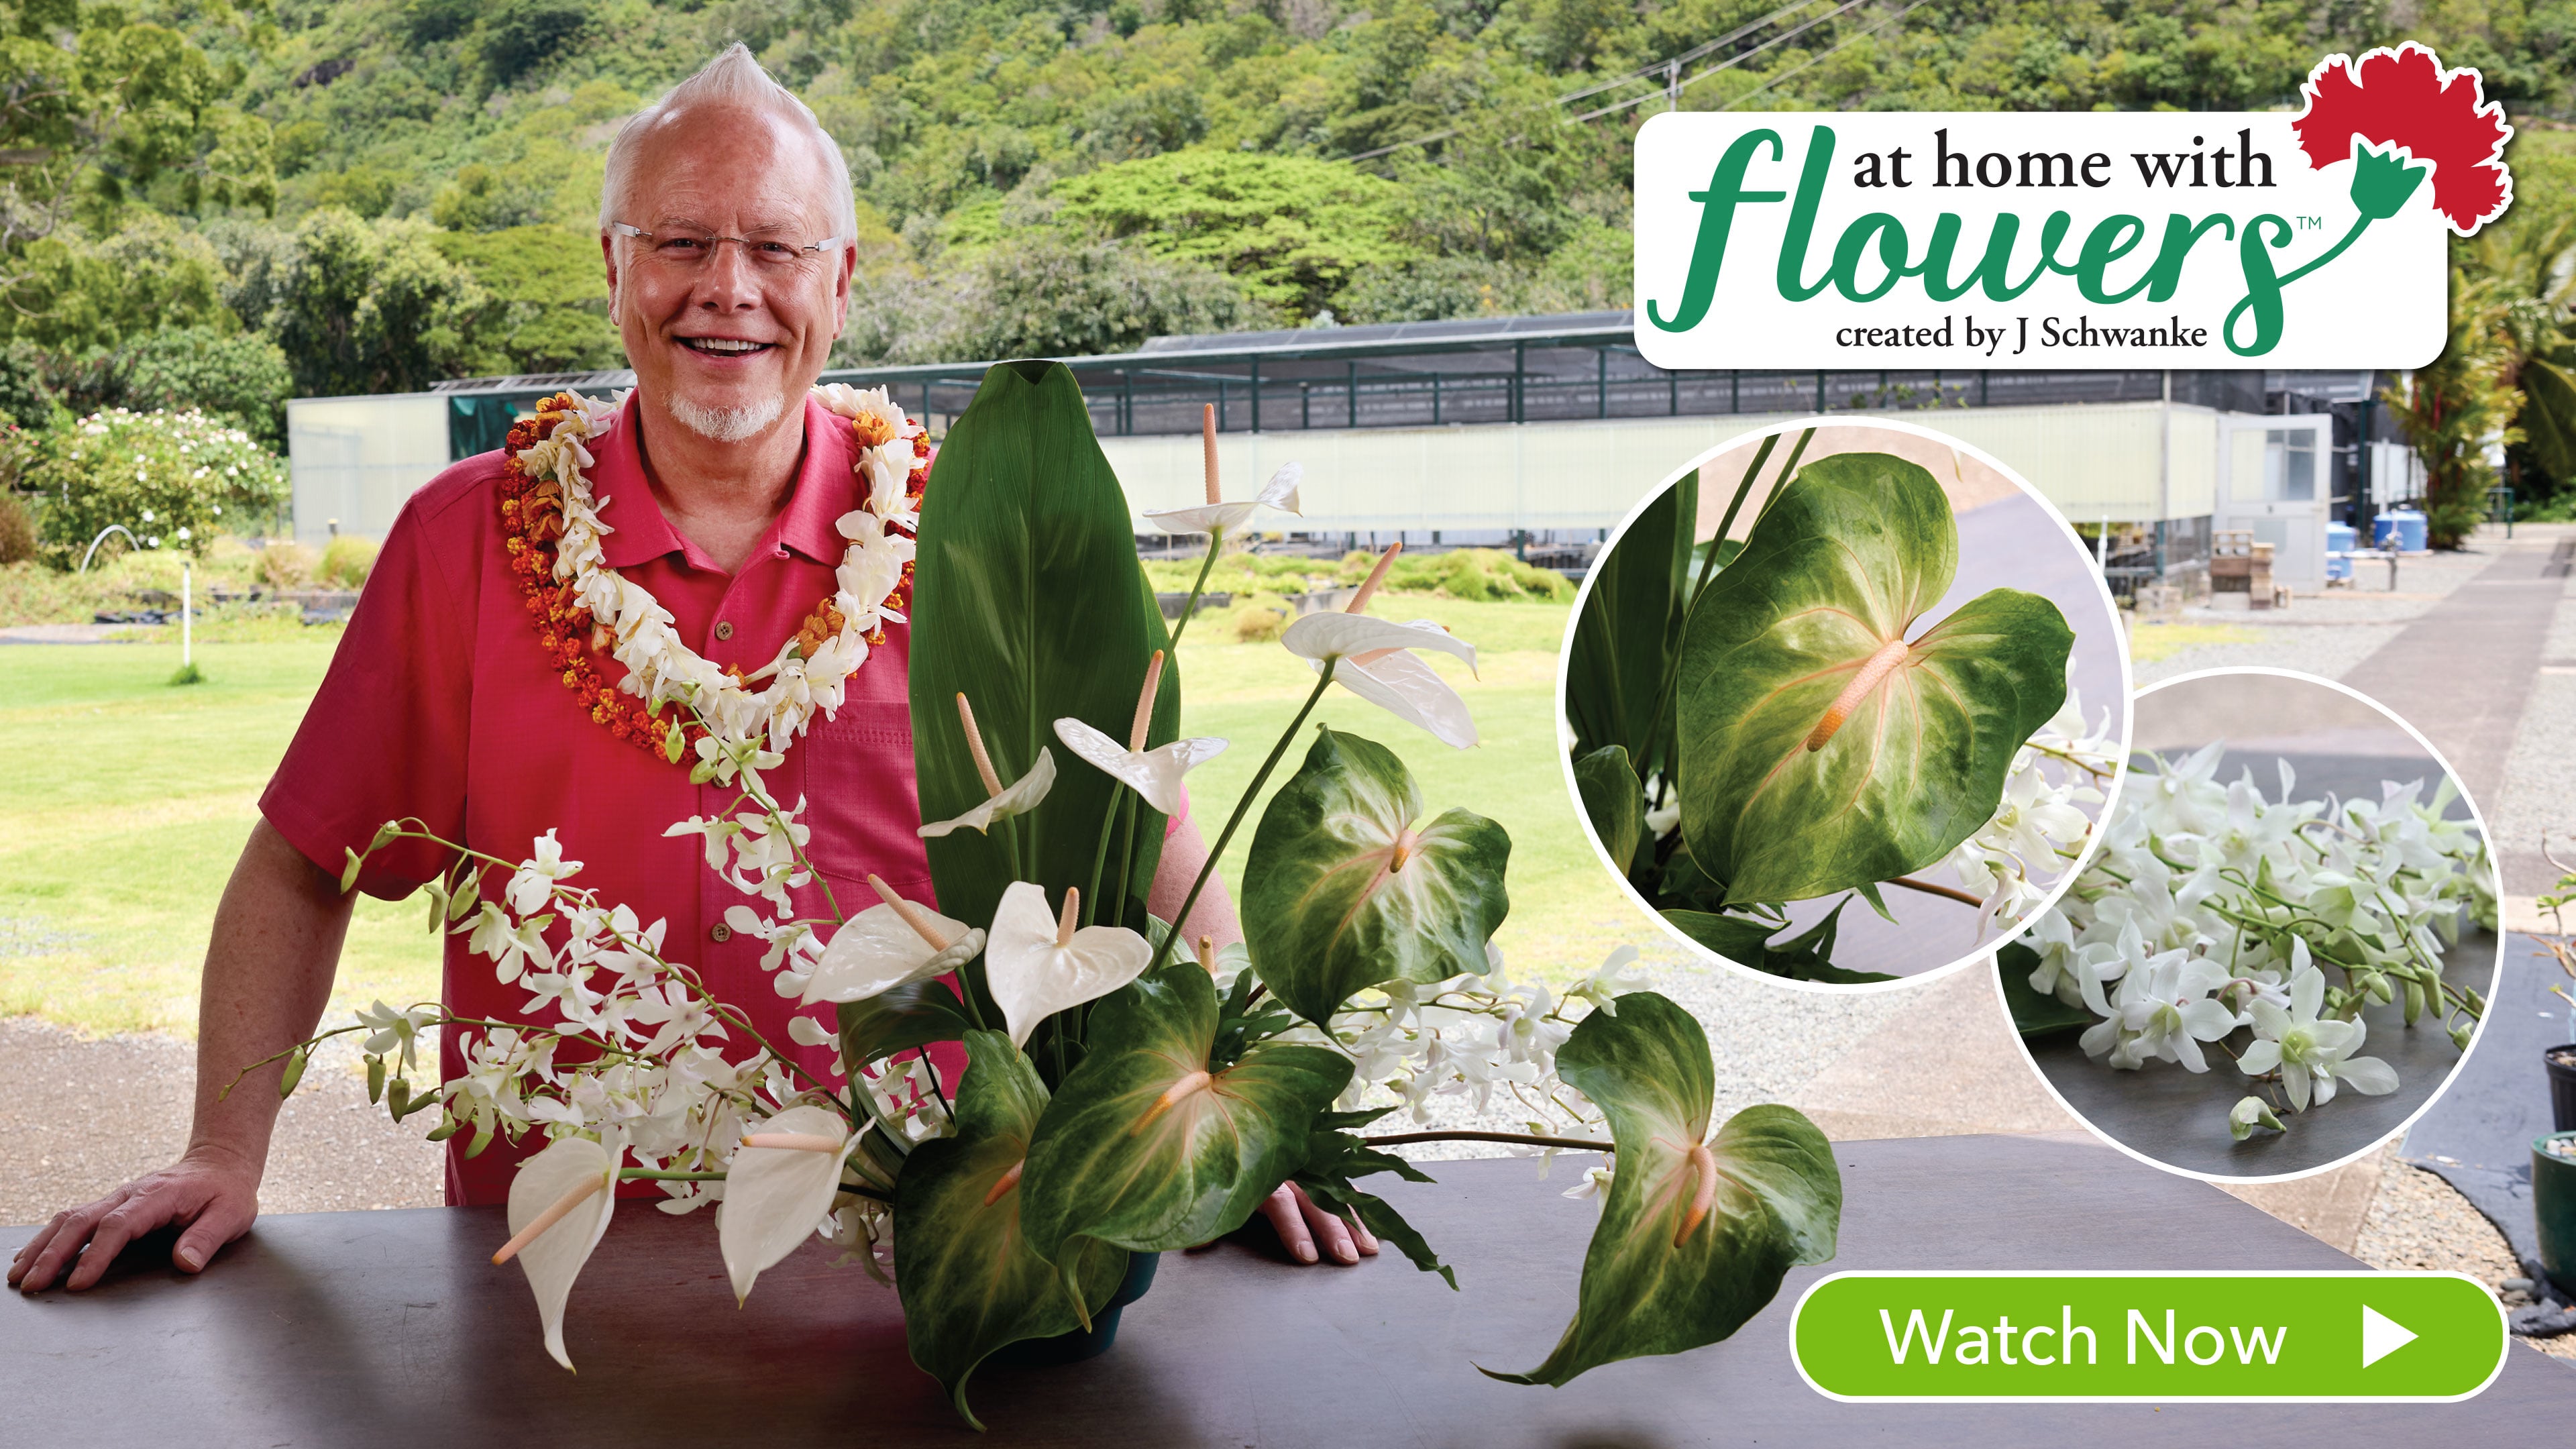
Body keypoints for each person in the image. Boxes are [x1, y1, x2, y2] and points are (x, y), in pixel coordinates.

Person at [10, 45, 1374, 1295]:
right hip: (550, 1270)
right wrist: (221, 1151)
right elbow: (304, 862)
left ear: (839, 282)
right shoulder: (464, 542)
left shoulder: (987, 535)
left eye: (775, 247)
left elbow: (1149, 844)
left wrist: (1236, 1123)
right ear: (614, 272)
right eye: (680, 243)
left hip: (935, 1251)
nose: (728, 288)